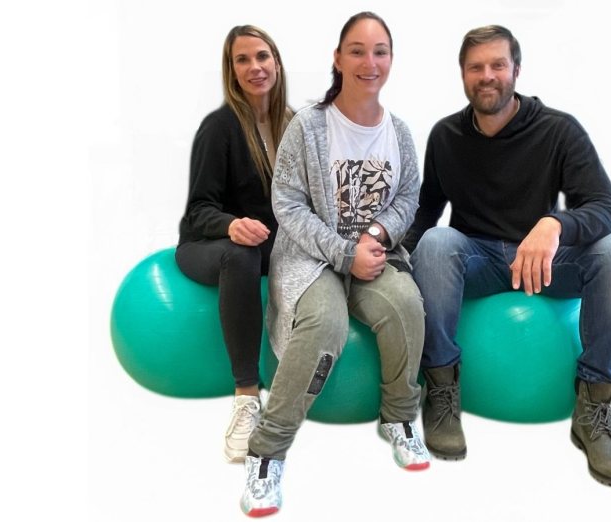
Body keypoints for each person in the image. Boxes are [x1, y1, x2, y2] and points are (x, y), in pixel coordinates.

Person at [402, 25, 611, 489]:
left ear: (516, 70)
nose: (487, 75)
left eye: (497, 65)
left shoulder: (558, 130)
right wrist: (383, 254)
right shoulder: (446, 136)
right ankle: (442, 391)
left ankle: (593, 410)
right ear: (463, 75)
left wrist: (556, 224)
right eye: (476, 67)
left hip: (546, 263)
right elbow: (426, 212)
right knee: (435, 242)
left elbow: (609, 210)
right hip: (479, 259)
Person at [240, 12, 430, 517]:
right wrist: (344, 252)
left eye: (381, 51)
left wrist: (376, 237)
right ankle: (266, 452)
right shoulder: (308, 126)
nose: (370, 62)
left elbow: (408, 196)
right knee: (325, 321)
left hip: (372, 255)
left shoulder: (400, 133)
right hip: (312, 258)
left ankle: (400, 417)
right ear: (338, 58)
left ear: (391, 59)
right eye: (358, 50)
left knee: (406, 303)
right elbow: (288, 203)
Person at [175, 25, 293, 464]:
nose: (254, 67)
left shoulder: (295, 126)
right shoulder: (219, 127)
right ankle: (247, 395)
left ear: (276, 63)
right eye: (242, 60)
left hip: (267, 251)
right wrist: (231, 225)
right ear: (231, 71)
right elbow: (198, 209)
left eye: (261, 56)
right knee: (241, 253)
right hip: (209, 247)